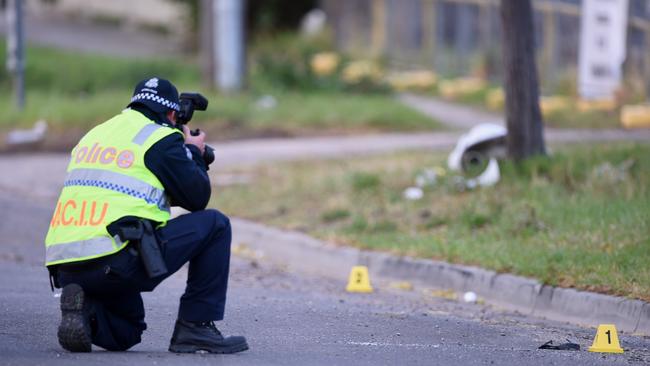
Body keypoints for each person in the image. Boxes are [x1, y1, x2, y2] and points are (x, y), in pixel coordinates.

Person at [44, 77, 248, 354]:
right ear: (172, 114)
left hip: (67, 268)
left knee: (126, 332)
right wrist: (193, 152)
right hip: (114, 260)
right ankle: (195, 327)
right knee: (216, 225)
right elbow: (197, 197)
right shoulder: (160, 138)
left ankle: (84, 309)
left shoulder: (96, 134)